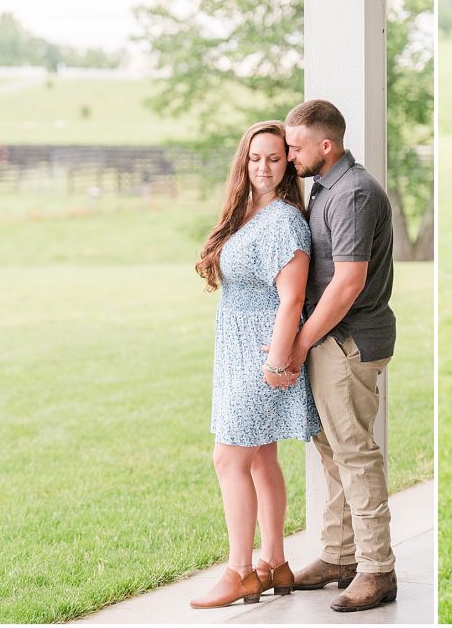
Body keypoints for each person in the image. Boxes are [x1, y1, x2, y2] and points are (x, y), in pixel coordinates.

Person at [272, 99, 399, 613]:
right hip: (331, 340)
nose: (288, 155)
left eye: (295, 147)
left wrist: (300, 342)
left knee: (354, 453)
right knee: (331, 451)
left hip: (349, 342)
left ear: (327, 145)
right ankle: (339, 556)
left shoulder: (352, 194)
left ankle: (377, 569)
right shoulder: (326, 188)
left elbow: (348, 283)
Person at [191, 120, 320, 609]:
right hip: (234, 350)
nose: (264, 167)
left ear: (288, 161)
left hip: (265, 353)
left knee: (229, 458)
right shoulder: (245, 212)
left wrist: (276, 359)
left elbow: (292, 300)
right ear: (243, 162)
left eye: (273, 157)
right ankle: (276, 563)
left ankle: (240, 571)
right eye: (255, 158)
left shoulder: (285, 220)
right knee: (262, 457)